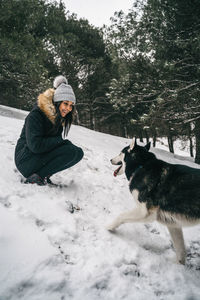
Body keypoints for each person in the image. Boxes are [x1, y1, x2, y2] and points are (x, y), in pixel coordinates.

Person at [14, 75, 84, 186]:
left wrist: (60, 143)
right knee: (69, 149)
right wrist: (60, 142)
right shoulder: (36, 115)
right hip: (25, 160)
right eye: (65, 103)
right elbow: (35, 146)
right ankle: (39, 176)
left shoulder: (58, 119)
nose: (68, 109)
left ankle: (40, 175)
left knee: (77, 152)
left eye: (71, 105)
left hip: (37, 156)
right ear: (57, 101)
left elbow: (53, 144)